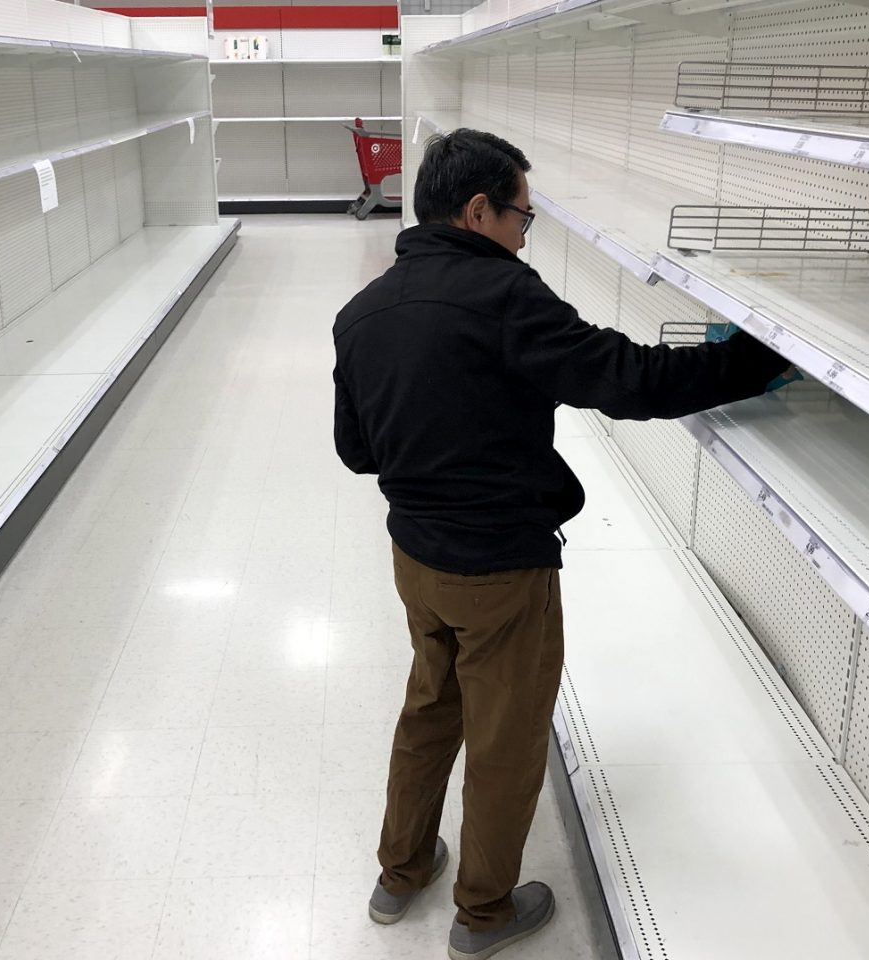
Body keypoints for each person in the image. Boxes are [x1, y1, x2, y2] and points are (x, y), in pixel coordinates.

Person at [331, 128, 792, 960]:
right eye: (520, 217)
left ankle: (400, 873)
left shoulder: (362, 312)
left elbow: (357, 451)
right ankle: (484, 913)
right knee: (506, 742)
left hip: (416, 560)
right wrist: (752, 362)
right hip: (501, 566)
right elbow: (627, 381)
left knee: (431, 707)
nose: (522, 233)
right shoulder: (505, 299)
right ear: (478, 210)